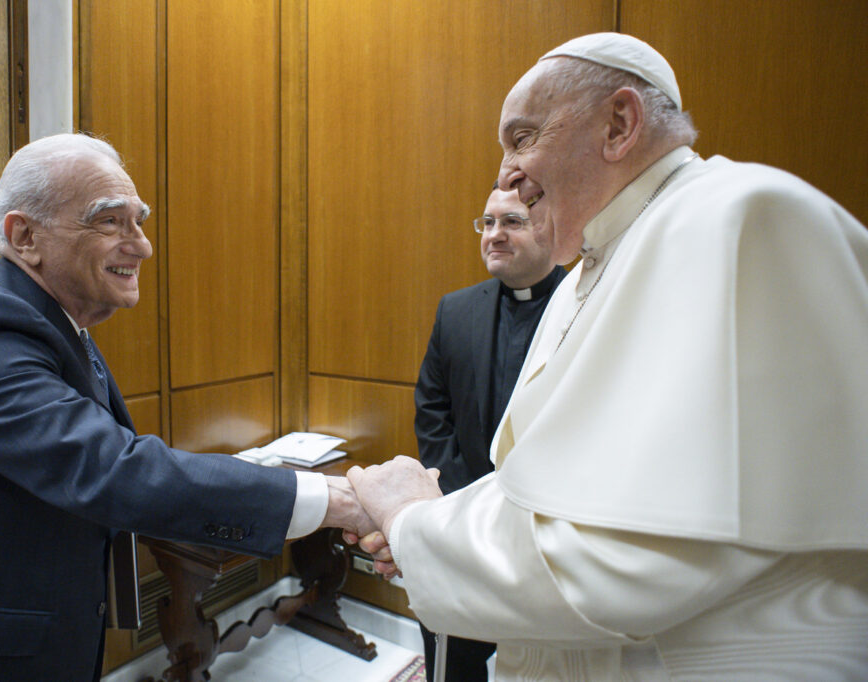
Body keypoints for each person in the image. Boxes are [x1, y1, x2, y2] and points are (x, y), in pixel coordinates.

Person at [347, 33, 868, 679]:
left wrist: (412, 523)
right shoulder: (596, 262)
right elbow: (548, 493)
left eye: (522, 137)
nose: (506, 174)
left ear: (619, 124)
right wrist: (434, 526)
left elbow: (628, 559)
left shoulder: (738, 218)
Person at [0, 133, 372, 681]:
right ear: (24, 236)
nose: (141, 245)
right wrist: (338, 500)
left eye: (139, 221)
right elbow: (111, 469)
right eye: (110, 222)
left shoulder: (52, 322)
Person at [414, 185, 563, 680]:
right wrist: (465, 501)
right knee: (455, 655)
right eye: (486, 222)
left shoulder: (587, 306)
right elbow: (432, 410)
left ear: (548, 225)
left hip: (552, 533)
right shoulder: (455, 310)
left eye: (512, 222)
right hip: (463, 519)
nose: (494, 235)